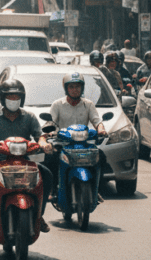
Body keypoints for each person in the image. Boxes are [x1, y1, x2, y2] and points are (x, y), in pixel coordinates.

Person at [0, 79, 53, 234]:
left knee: (46, 174)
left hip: (25, 161)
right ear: (2, 98)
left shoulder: (29, 117)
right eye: (10, 97)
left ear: (22, 99)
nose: (13, 100)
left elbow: (40, 136)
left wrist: (44, 144)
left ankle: (40, 214)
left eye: (16, 97)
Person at [41, 72, 107, 206]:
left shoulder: (88, 104)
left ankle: (97, 189)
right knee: (51, 158)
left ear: (82, 88)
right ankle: (53, 189)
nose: (75, 90)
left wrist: (101, 129)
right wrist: (51, 132)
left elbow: (97, 120)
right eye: (71, 87)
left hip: (83, 143)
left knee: (101, 156)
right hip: (63, 143)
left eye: (78, 86)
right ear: (66, 88)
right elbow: (51, 123)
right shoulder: (58, 104)